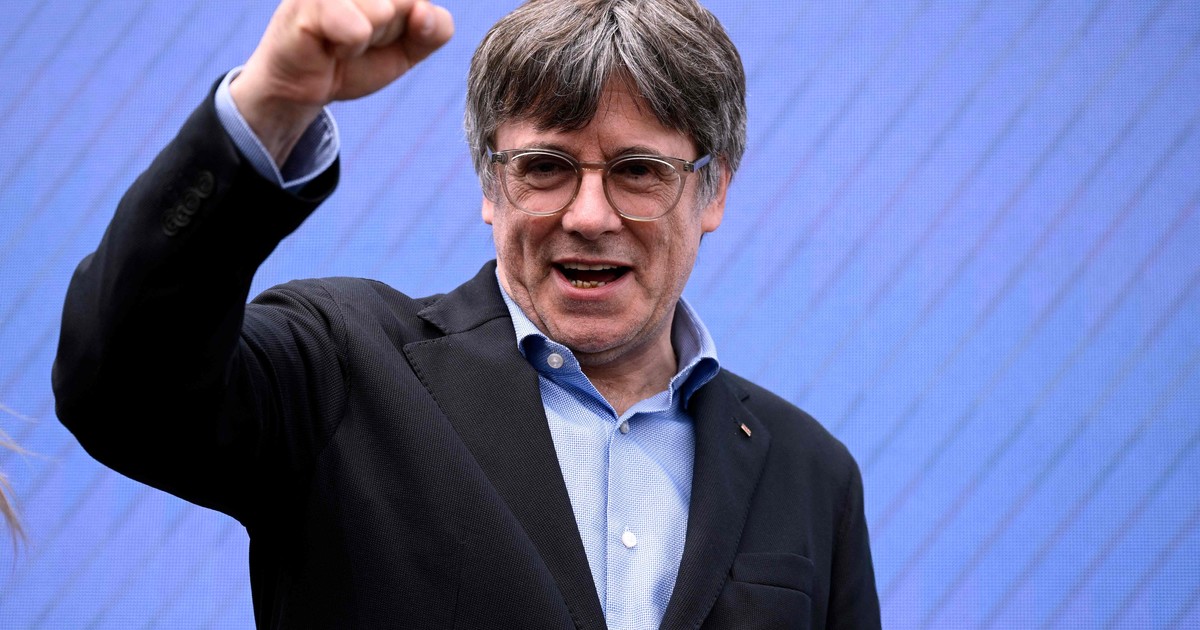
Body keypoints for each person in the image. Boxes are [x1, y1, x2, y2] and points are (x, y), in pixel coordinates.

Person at [53, 0, 880, 627]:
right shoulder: (345, 365)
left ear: (714, 189)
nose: (590, 215)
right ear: (490, 184)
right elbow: (121, 386)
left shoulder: (812, 472)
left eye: (638, 171)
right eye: (545, 167)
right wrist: (272, 105)